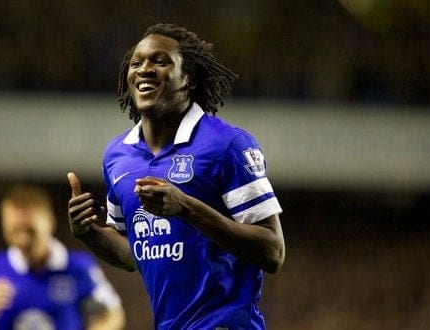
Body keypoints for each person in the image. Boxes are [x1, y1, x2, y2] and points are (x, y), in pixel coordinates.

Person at [67, 23, 286, 329]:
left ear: (189, 78)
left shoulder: (227, 145)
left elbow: (272, 252)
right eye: (136, 63)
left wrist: (186, 208)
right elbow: (134, 254)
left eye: (160, 61)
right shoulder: (117, 156)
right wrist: (88, 232)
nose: (145, 69)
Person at [0, 184, 125, 330]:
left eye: (30, 231)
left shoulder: (78, 267)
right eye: (14, 231)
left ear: (50, 222)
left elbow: (113, 315)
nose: (23, 239)